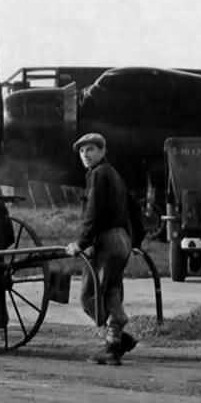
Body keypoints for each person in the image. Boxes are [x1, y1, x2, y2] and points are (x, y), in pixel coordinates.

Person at [65, 132, 138, 366]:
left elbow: (93, 212)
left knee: (90, 296)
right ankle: (118, 340)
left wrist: (81, 243)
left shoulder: (98, 174)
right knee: (111, 290)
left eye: (91, 149)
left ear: (103, 151)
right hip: (122, 239)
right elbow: (134, 208)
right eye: (82, 151)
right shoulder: (114, 174)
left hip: (107, 240)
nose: (85, 154)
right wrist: (135, 241)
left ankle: (114, 340)